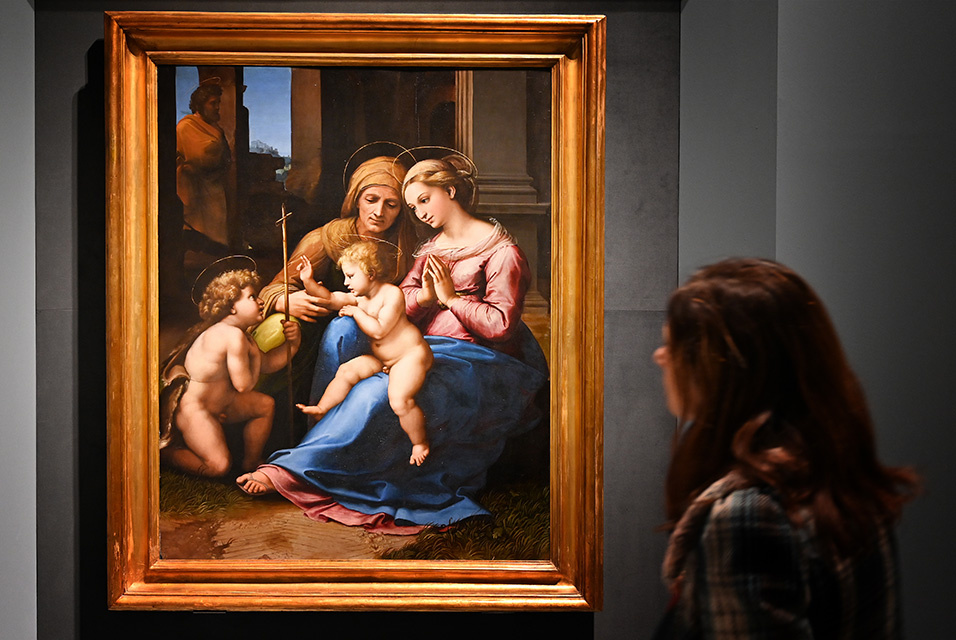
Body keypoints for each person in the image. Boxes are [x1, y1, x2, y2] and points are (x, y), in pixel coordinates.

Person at [236, 154, 548, 533]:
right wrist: (426, 298)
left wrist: (451, 300)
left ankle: (297, 470)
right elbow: (404, 300)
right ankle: (306, 460)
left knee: (373, 394)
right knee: (357, 373)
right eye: (413, 206)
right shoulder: (431, 246)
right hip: (426, 348)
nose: (419, 213)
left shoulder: (502, 252)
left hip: (480, 361)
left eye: (421, 201)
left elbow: (500, 326)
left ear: (450, 191)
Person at [652, 258, 919, 639]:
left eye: (673, 343)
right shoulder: (835, 480)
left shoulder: (747, 516)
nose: (660, 356)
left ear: (723, 368)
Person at [294, 241, 434, 466]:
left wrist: (356, 313)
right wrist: (308, 281)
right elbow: (329, 299)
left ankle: (420, 442)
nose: (345, 282)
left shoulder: (392, 294)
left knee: (399, 400)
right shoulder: (359, 298)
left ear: (370, 273)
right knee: (347, 370)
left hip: (409, 356)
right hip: (383, 359)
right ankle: (322, 408)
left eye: (350, 276)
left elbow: (379, 331)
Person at [160, 263, 301, 477]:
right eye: (252, 297)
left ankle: (251, 462)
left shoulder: (241, 336)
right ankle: (166, 454)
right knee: (218, 466)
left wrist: (292, 344)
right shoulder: (230, 336)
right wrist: (255, 357)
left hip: (223, 403)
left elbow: (269, 363)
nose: (261, 301)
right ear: (231, 306)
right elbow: (243, 386)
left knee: (264, 405)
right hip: (196, 411)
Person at [176, 78, 232, 250]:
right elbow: (201, 156)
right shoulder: (186, 126)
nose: (217, 107)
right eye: (213, 103)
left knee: (217, 244)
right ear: (199, 105)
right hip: (194, 192)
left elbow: (226, 158)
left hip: (214, 191)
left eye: (218, 103)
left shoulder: (215, 129)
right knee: (198, 241)